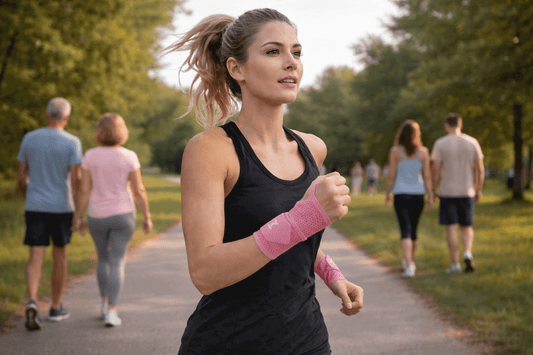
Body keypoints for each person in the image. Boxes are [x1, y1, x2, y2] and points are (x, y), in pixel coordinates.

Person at [167, 8, 363, 354]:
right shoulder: (211, 150)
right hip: (228, 342)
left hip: (307, 338)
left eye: (297, 52)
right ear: (236, 68)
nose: (292, 63)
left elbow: (284, 233)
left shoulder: (312, 148)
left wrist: (332, 274)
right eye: (274, 51)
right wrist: (306, 218)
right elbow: (205, 272)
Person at [73, 113, 153, 327]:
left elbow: (84, 190)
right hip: (123, 215)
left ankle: (103, 304)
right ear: (122, 131)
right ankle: (112, 311)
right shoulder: (129, 156)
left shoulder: (90, 156)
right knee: (117, 262)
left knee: (102, 260)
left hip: (97, 215)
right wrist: (146, 216)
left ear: (99, 131)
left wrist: (78, 216)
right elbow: (139, 190)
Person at [16, 97, 83, 331]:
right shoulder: (72, 142)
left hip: (35, 206)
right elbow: (76, 180)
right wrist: (78, 211)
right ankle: (55, 307)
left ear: (47, 115)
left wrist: (28, 196)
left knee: (35, 256)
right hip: (62, 207)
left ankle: (32, 301)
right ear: (66, 118)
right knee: (59, 256)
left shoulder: (29, 138)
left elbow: (20, 176)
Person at [431, 113, 484, 273]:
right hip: (467, 191)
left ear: (447, 125)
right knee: (467, 227)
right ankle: (467, 253)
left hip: (447, 192)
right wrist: (478, 188)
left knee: (451, 228)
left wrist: (434, 188)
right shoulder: (472, 142)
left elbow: (435, 169)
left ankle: (455, 264)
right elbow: (480, 169)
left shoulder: (440, 143)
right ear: (460, 125)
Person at [385, 120, 433, 278]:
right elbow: (427, 176)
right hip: (418, 194)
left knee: (404, 230)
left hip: (401, 194)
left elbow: (391, 175)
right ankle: (409, 262)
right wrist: (430, 195)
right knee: (413, 231)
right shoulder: (424, 152)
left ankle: (409, 264)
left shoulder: (395, 151)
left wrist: (387, 193)